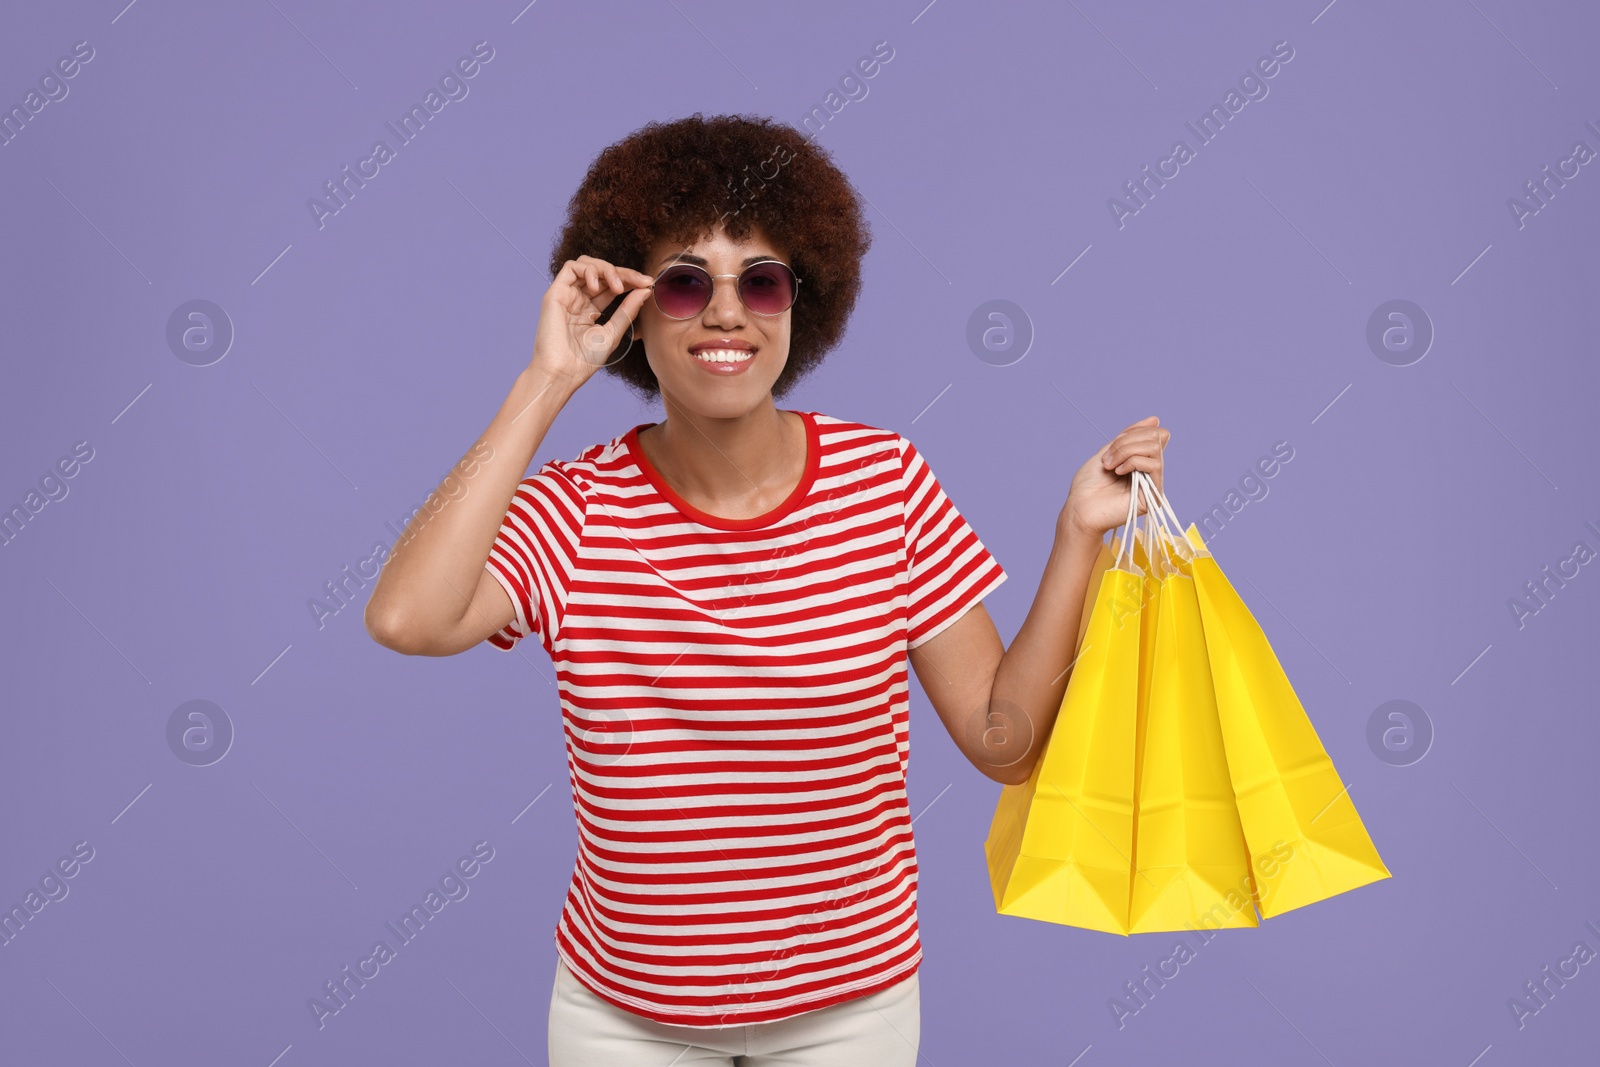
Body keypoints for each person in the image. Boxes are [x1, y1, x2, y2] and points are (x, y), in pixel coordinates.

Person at [364, 113, 1168, 1066]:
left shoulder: (885, 484)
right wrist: (547, 379)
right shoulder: (575, 512)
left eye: (763, 279)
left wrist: (1077, 534)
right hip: (623, 1016)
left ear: (800, 300)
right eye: (684, 282)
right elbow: (407, 619)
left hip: (849, 1012)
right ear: (633, 308)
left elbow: (1005, 742)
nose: (726, 310)